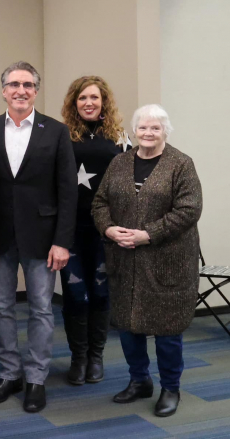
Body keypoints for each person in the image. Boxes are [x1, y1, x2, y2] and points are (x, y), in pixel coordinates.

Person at [0, 61, 77, 413]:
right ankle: (9, 373)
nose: (21, 90)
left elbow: (68, 191)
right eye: (14, 84)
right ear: (3, 91)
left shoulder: (57, 131)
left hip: (43, 238)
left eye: (28, 84)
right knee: (1, 307)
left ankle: (35, 378)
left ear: (36, 90)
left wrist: (63, 241)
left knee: (41, 309)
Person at [92, 104, 202, 418]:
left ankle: (170, 387)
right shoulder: (120, 162)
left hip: (169, 262)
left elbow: (188, 210)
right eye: (143, 128)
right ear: (135, 130)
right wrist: (109, 228)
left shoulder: (180, 164)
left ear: (165, 131)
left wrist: (146, 234)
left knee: (168, 331)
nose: (148, 133)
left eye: (155, 128)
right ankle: (139, 380)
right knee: (129, 326)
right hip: (125, 260)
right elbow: (100, 202)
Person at [59, 76, 131, 386]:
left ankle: (96, 357)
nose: (89, 102)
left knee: (101, 293)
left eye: (94, 97)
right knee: (76, 294)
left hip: (107, 231)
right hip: (71, 231)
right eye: (82, 98)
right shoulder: (62, 138)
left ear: (103, 102)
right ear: (74, 103)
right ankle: (79, 357)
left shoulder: (120, 139)